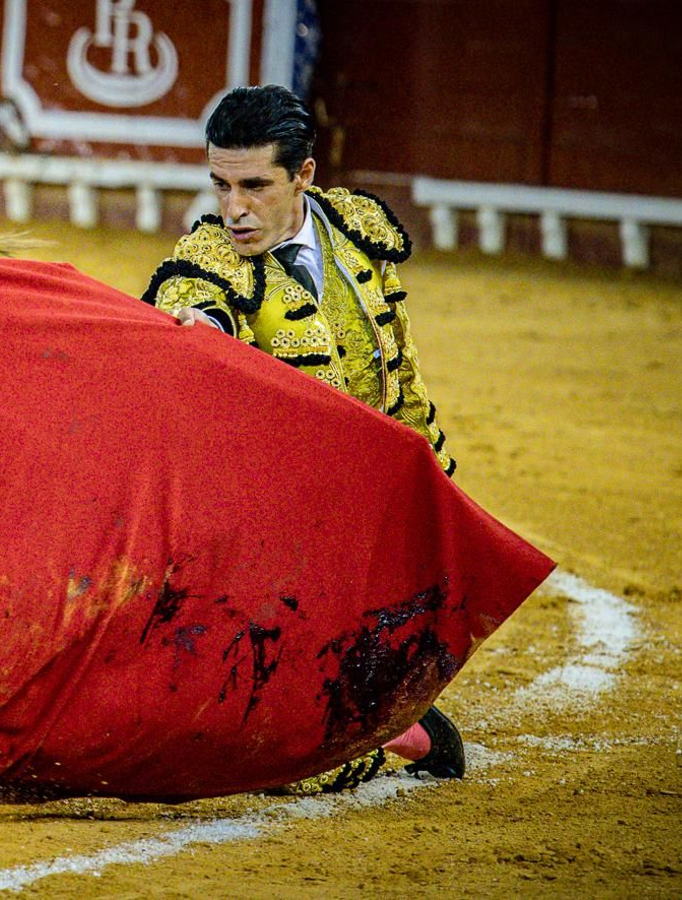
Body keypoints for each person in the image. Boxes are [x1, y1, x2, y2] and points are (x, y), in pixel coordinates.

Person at [143, 84, 463, 790]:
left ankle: (384, 716)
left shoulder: (356, 233)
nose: (234, 209)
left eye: (254, 186)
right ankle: (394, 732)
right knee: (283, 756)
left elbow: (397, 372)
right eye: (221, 185)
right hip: (267, 530)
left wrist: (431, 478)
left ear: (304, 176)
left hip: (362, 509)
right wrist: (203, 330)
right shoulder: (209, 258)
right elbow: (202, 306)